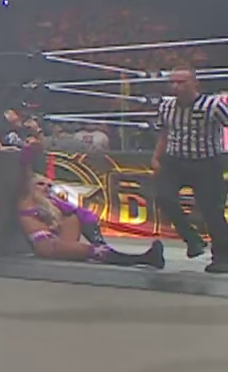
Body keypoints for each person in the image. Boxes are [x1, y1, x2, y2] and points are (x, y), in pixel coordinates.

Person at [151, 68, 228, 273]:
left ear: (195, 83)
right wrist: (156, 157)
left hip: (206, 163)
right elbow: (164, 133)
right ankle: (192, 239)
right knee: (163, 197)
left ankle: (223, 257)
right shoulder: (166, 106)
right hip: (174, 161)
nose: (176, 86)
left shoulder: (213, 105)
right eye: (173, 82)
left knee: (211, 210)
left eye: (182, 82)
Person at [17, 176, 163, 268]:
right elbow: (25, 172)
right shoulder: (26, 200)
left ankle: (101, 244)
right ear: (31, 187)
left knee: (75, 216)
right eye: (41, 184)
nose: (46, 188)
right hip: (46, 245)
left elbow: (81, 214)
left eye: (49, 185)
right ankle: (144, 259)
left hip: (58, 241)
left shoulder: (53, 204)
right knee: (92, 251)